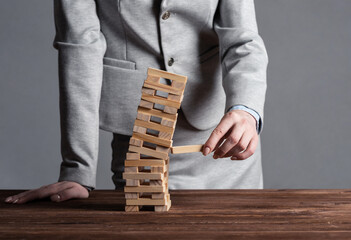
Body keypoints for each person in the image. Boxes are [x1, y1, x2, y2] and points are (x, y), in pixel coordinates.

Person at [5, 0, 268, 204]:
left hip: (223, 138)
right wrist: (78, 170)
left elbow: (242, 40)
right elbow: (79, 47)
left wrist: (246, 109)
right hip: (141, 141)